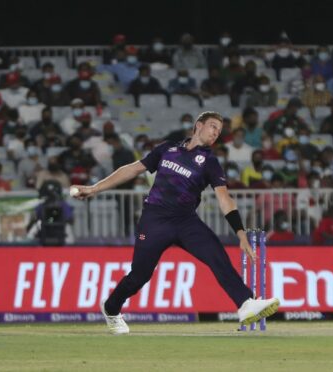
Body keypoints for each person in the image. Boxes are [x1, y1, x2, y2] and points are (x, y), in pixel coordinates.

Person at [70, 111, 279, 334]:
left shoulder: (210, 162)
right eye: (212, 126)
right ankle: (111, 308)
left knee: (216, 255)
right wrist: (94, 189)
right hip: (154, 219)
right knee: (139, 276)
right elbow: (132, 169)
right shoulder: (167, 149)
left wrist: (240, 233)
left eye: (219, 130)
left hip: (185, 221)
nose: (216, 133)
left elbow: (224, 198)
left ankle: (246, 303)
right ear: (198, 126)